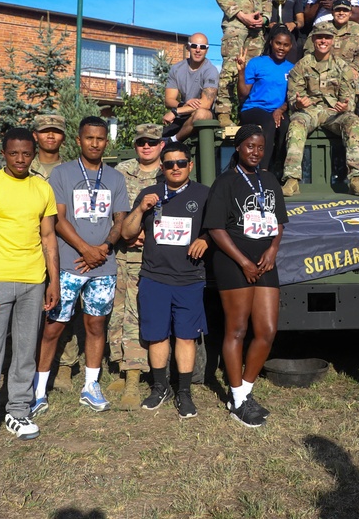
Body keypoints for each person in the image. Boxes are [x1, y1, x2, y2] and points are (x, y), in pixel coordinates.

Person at [0, 128, 60, 462]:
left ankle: (18, 410)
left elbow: (48, 238)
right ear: (3, 153)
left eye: (26, 154)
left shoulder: (41, 187)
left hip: (33, 282)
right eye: (14, 153)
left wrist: (53, 281)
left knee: (25, 352)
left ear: (33, 154)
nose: (20, 160)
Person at [33, 116, 129, 414]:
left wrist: (104, 248)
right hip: (68, 264)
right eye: (90, 138)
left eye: (100, 138)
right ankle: (38, 390)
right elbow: (58, 220)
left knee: (96, 324)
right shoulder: (62, 174)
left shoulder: (115, 177)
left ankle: (90, 385)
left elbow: (120, 220)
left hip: (103, 266)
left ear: (106, 141)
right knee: (54, 326)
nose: (95, 143)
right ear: (79, 140)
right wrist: (86, 249)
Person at [205, 126, 288, 427]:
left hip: (264, 262)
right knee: (237, 330)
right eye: (250, 146)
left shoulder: (269, 180)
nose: (255, 151)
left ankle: (244, 391)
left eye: (260, 147)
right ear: (238, 147)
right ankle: (238, 399)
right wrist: (242, 261)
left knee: (266, 330)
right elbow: (215, 228)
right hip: (232, 262)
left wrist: (273, 251)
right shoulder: (225, 182)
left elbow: (279, 223)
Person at [121, 141, 210, 418]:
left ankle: (184, 391)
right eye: (169, 163)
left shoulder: (204, 195)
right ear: (162, 167)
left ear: (190, 165)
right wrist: (140, 209)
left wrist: (205, 240)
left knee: (185, 337)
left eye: (181, 163)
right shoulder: (150, 193)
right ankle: (160, 387)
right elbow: (126, 233)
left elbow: (218, 230)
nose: (175, 168)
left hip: (189, 279)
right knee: (157, 336)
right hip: (154, 278)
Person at [106, 124, 165, 410]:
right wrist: (125, 231)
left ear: (161, 145)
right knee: (117, 309)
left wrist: (145, 233)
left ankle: (135, 374)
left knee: (136, 312)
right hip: (122, 249)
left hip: (151, 253)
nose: (146, 147)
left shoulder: (169, 170)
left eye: (152, 142)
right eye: (141, 142)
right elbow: (111, 207)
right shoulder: (121, 170)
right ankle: (119, 363)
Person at [281, 25, 359, 197]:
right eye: (319, 37)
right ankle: (292, 179)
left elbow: (349, 97)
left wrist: (345, 106)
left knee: (352, 121)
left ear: (332, 41)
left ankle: (356, 179)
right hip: (309, 111)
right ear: (313, 40)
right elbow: (293, 96)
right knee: (296, 123)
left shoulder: (342, 67)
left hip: (333, 112)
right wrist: (298, 103)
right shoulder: (301, 66)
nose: (323, 41)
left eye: (327, 37)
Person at [31, 114, 83, 393]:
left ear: (63, 137)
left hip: (62, 247)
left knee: (65, 310)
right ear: (35, 135)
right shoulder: (24, 165)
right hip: (29, 247)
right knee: (28, 311)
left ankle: (65, 366)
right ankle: (29, 365)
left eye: (56, 132)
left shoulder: (74, 170)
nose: (50, 136)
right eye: (45, 132)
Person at [213, 0, 271, 128]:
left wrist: (263, 19)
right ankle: (224, 112)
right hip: (236, 24)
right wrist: (240, 15)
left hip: (256, 28)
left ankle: (246, 112)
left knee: (252, 72)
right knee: (231, 67)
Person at [237, 27, 294, 172]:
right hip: (253, 109)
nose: (281, 48)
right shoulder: (257, 63)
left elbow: (291, 97)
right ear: (271, 43)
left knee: (286, 124)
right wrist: (241, 72)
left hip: (277, 110)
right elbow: (243, 93)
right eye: (278, 43)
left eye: (285, 45)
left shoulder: (292, 68)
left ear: (290, 47)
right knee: (269, 123)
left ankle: (279, 168)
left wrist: (280, 109)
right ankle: (263, 170)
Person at [163, 33, 220, 141]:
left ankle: (173, 140)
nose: (198, 50)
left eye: (202, 47)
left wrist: (175, 111)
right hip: (184, 114)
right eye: (194, 46)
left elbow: (206, 104)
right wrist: (184, 104)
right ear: (188, 47)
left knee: (202, 113)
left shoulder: (210, 70)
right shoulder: (176, 69)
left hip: (204, 116)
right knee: (152, 138)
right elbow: (169, 100)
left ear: (207, 50)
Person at [303, 0, 359, 72]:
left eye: (345, 10)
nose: (341, 13)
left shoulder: (357, 30)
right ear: (332, 12)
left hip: (348, 73)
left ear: (350, 13)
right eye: (337, 10)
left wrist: (354, 69)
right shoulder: (320, 28)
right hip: (322, 71)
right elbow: (308, 51)